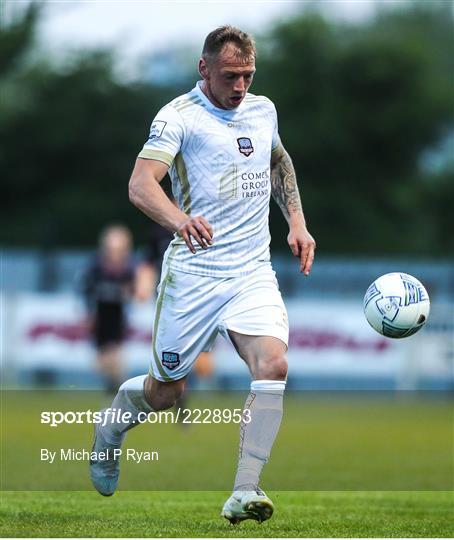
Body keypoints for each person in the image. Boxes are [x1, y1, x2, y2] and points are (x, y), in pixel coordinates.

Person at [89, 25, 316, 524]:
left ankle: (245, 489)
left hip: (252, 269)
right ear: (204, 68)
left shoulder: (262, 109)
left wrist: (296, 221)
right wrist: (180, 220)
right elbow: (140, 185)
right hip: (194, 272)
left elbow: (277, 160)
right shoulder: (177, 118)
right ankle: (110, 429)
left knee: (273, 366)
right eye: (231, 75)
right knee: (167, 393)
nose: (240, 87)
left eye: (248, 75)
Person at [83, 225, 135, 394]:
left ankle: (118, 390)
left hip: (117, 317)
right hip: (100, 316)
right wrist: (89, 314)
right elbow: (87, 291)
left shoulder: (127, 269)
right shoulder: (96, 267)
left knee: (114, 357)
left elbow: (133, 292)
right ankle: (115, 387)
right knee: (101, 362)